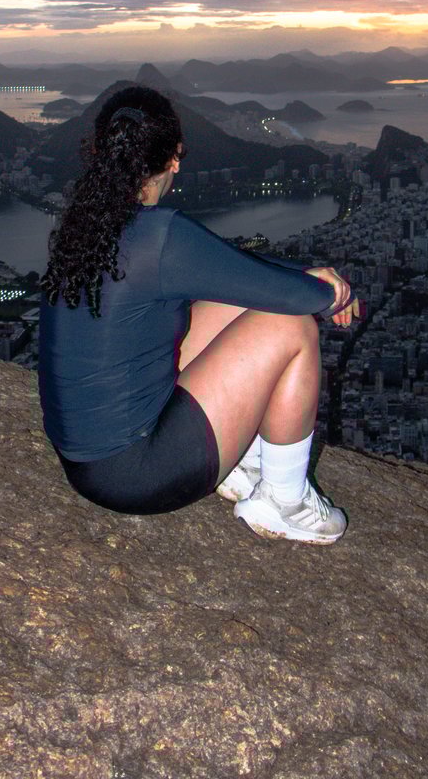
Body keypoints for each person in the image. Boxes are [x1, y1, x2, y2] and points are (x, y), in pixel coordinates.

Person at [38, 85, 359, 544]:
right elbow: (296, 300)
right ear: (174, 159)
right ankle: (284, 501)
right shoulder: (160, 235)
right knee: (292, 328)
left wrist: (313, 277)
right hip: (136, 475)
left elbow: (237, 274)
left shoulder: (86, 225)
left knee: (236, 301)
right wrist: (332, 295)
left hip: (87, 461)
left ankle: (237, 455)